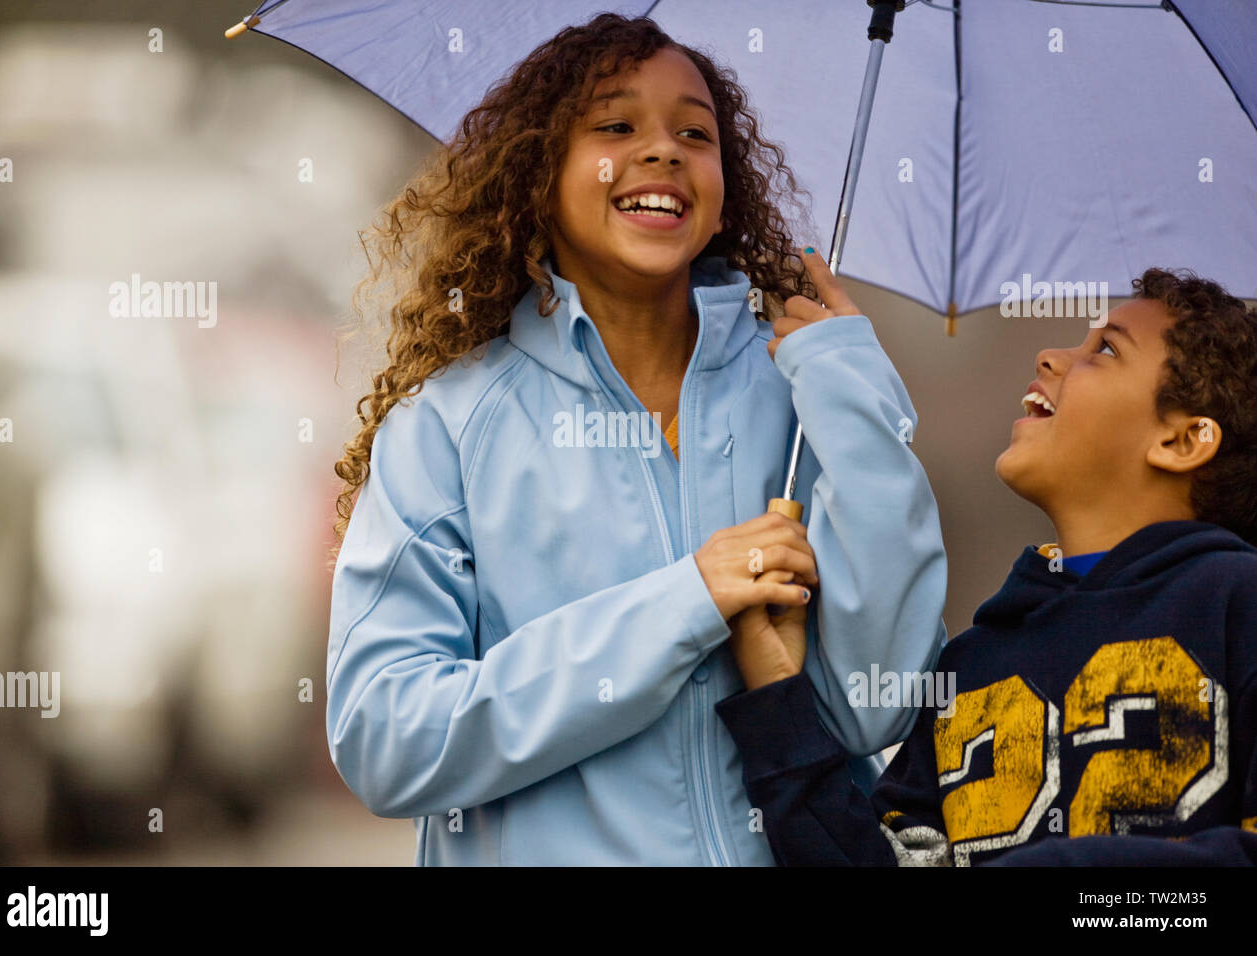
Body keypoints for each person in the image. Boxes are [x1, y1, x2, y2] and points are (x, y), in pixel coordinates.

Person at [325, 13, 946, 865]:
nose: (664, 152)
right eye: (616, 126)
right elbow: (386, 741)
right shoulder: (446, 429)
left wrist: (855, 394)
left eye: (696, 133)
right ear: (539, 171)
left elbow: (878, 709)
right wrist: (688, 600)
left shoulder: (805, 402)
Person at [716, 268, 1257, 866]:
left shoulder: (1240, 605)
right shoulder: (971, 664)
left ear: (1183, 441)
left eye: (1105, 349)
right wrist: (776, 694)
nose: (1049, 356)